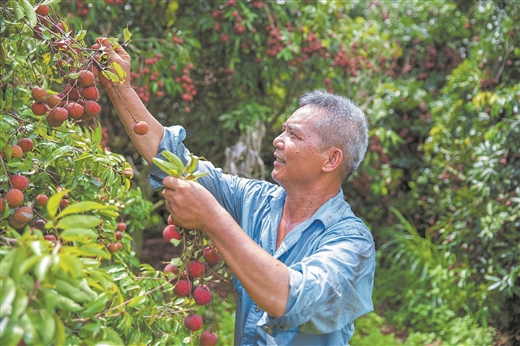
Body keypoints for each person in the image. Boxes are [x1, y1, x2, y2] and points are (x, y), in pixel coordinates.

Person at [95, 37, 375, 345]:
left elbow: (290, 297)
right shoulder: (256, 201)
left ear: (331, 159)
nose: (277, 140)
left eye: (293, 135)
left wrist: (213, 218)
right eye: (283, 129)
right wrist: (119, 87)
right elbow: (171, 157)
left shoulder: (352, 243)